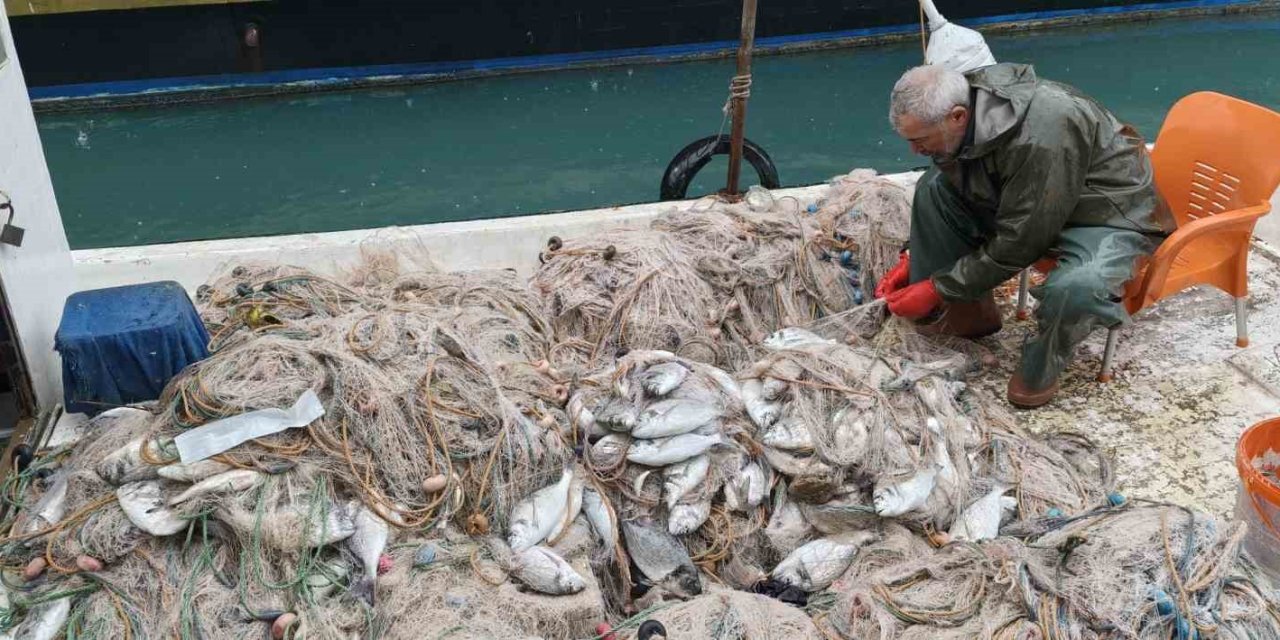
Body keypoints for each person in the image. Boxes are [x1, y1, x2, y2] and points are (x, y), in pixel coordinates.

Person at [878, 63, 1175, 408]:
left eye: (920, 140)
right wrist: (915, 257)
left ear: (958, 116)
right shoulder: (966, 107)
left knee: (1078, 286)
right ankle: (968, 316)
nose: (915, 151)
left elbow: (1022, 240)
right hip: (1039, 199)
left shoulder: (1045, 133)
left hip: (1108, 214)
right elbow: (977, 190)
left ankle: (1042, 363)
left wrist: (937, 286)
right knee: (932, 189)